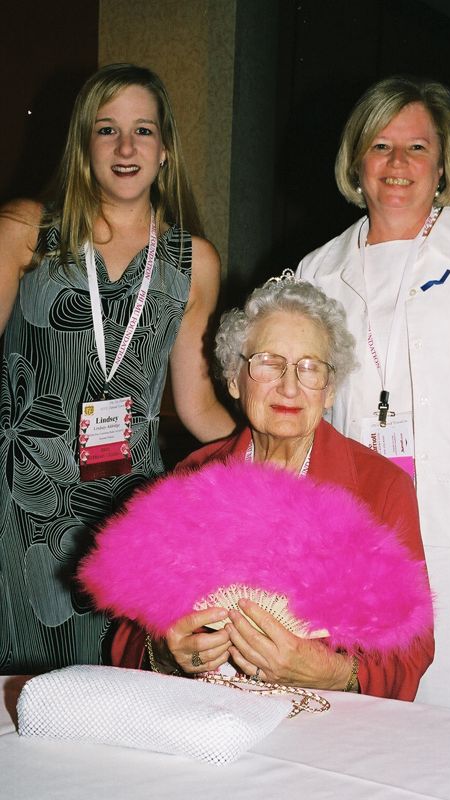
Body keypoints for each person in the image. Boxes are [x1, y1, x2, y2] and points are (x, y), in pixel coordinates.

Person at [296, 75, 450, 717]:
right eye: (380, 146)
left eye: (417, 148)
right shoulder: (318, 270)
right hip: (358, 527)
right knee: (367, 710)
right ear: (356, 162)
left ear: (444, 163)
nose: (397, 165)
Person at [0, 63, 234, 674]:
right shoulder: (27, 230)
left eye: (143, 131)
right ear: (84, 144)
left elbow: (196, 404)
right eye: (107, 130)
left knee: (115, 692)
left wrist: (279, 451)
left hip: (129, 513)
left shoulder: (193, 260)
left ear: (165, 148)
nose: (126, 148)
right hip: (20, 505)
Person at [110, 275, 434, 701]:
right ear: (233, 378)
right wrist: (167, 653)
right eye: (268, 362)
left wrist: (333, 672)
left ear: (330, 389)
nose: (289, 385)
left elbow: (413, 651)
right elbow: (128, 633)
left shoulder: (381, 488)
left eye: (310, 367)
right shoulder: (194, 476)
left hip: (321, 725)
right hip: (206, 713)